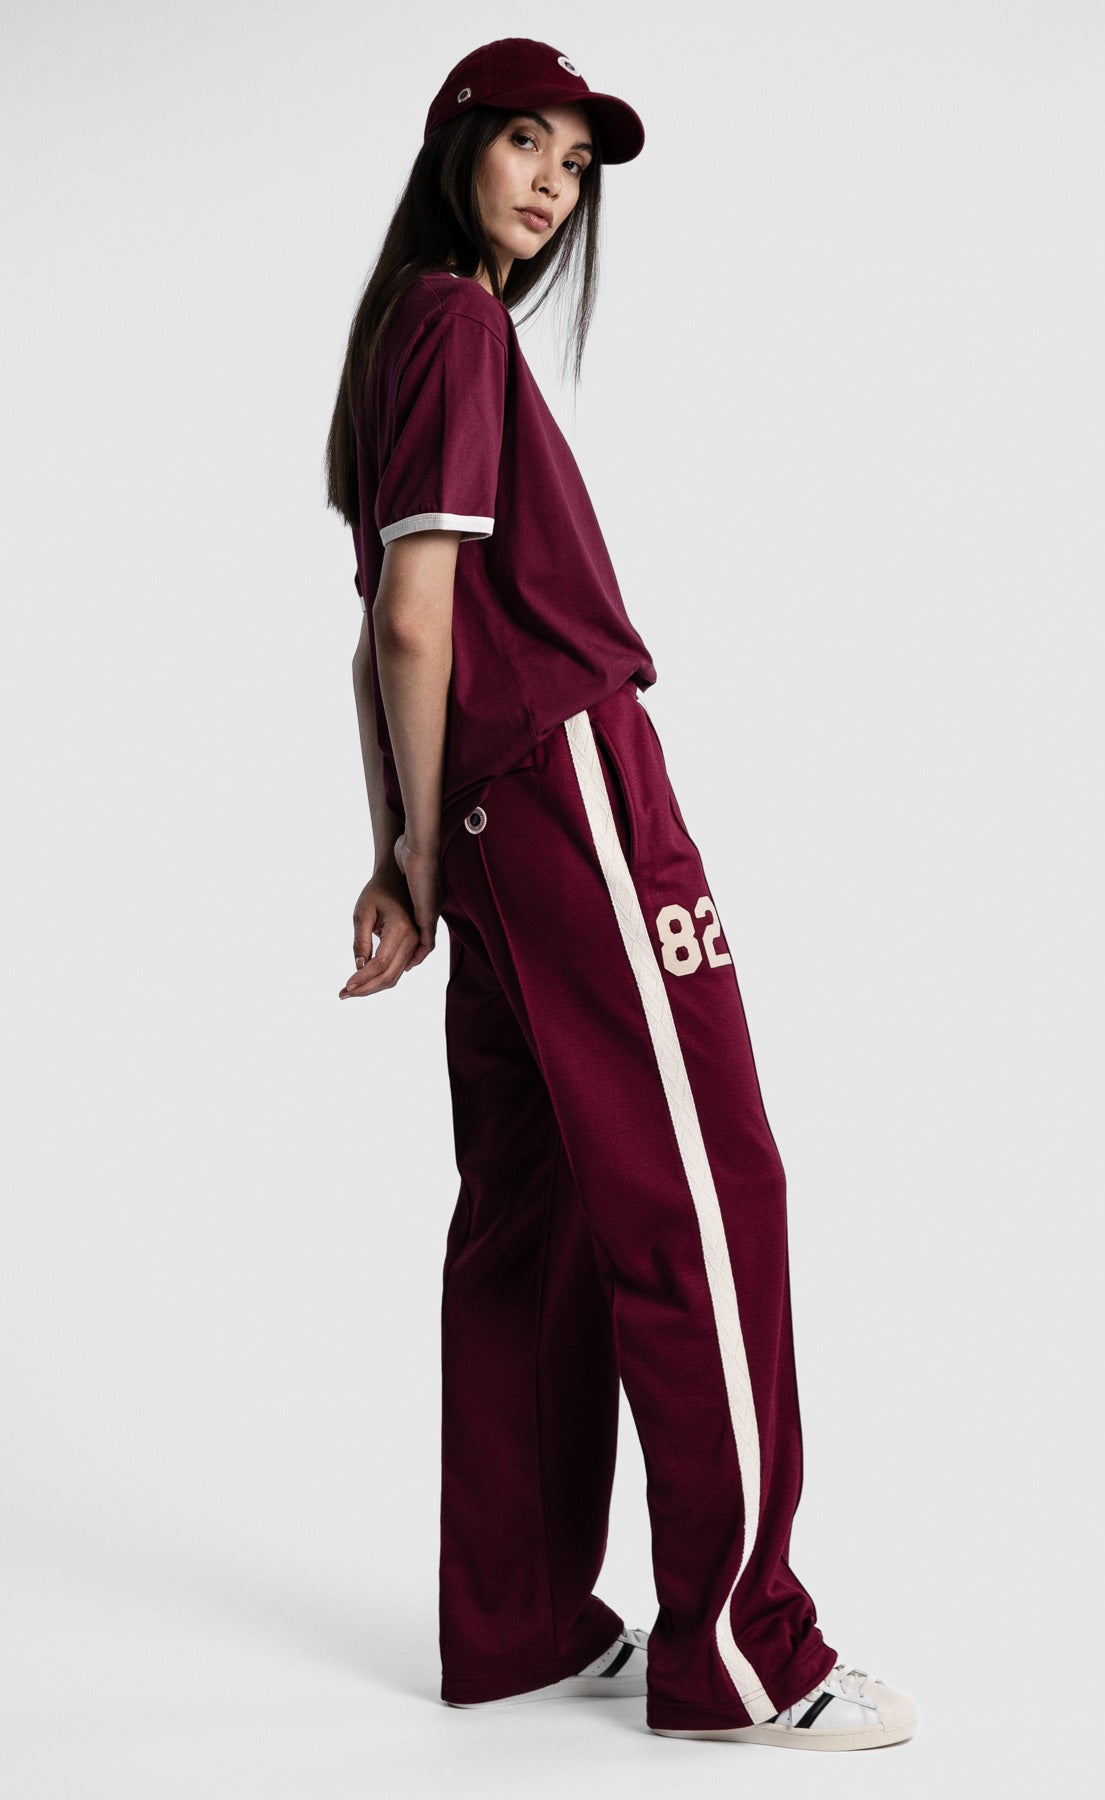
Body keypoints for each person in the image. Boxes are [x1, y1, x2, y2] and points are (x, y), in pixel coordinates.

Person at [324, 36, 918, 1753]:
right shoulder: (456, 325)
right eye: (525, 142)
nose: (552, 184)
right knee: (708, 1188)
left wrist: (409, 847)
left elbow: (381, 634)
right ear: (455, 148)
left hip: (493, 814)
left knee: (535, 1207)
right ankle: (746, 1649)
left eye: (574, 167)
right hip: (568, 784)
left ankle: (516, 1620)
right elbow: (416, 622)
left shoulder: (405, 338)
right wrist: (417, 854)